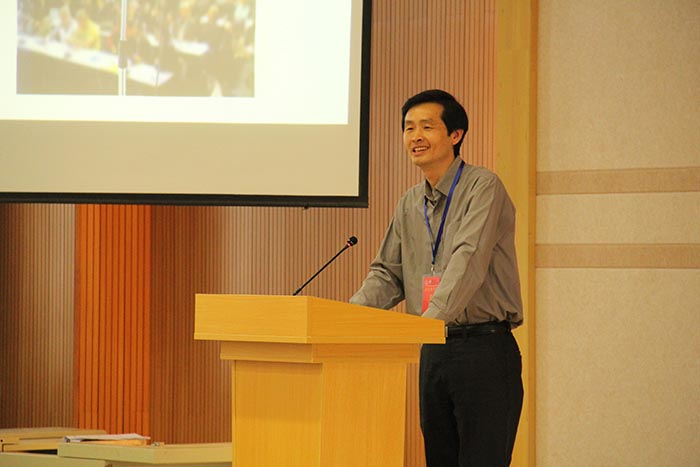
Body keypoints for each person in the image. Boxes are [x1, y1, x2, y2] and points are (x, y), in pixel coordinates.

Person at [350, 89, 523, 467]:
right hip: (434, 352)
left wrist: (424, 326)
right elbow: (387, 274)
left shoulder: (483, 187)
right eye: (408, 128)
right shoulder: (409, 202)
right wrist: (346, 318)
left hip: (484, 349)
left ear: (456, 135)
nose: (415, 136)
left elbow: (468, 262)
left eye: (427, 127)